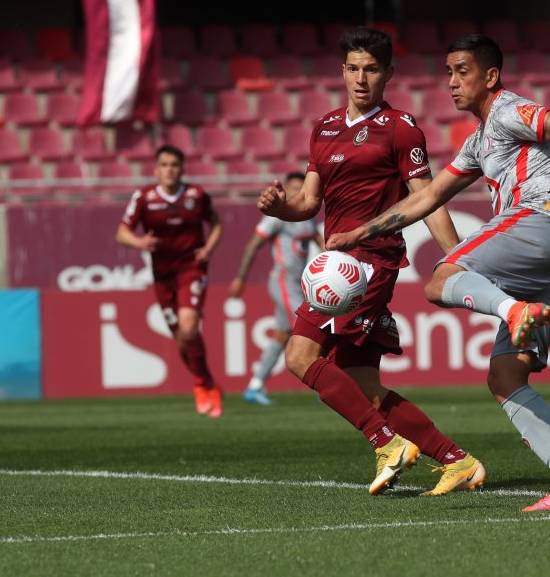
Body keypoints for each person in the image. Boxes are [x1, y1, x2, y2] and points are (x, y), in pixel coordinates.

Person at [324, 34, 550, 511]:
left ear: (490, 76)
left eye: (461, 71)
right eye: (448, 72)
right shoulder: (479, 139)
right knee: (504, 375)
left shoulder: (508, 111)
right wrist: (360, 233)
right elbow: (429, 197)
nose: (451, 82)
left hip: (542, 219)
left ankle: (515, 310)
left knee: (439, 279)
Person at [256, 26, 485, 497]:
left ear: (388, 74)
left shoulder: (401, 128)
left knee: (299, 357)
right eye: (354, 68)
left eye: (372, 69)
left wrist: (456, 255)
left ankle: (386, 444)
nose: (362, 78)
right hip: (337, 262)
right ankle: (457, 461)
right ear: (342, 72)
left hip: (369, 264)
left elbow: (429, 199)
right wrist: (283, 208)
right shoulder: (322, 128)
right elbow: (308, 202)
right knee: (365, 387)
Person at [116, 145, 224, 417]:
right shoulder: (144, 197)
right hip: (162, 275)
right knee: (180, 338)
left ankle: (201, 384)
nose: (169, 170)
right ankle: (208, 381)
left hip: (191, 269)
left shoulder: (196, 195)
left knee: (189, 328)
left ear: (182, 168)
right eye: (164, 165)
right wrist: (140, 242)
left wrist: (209, 248)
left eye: (174, 165)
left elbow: (217, 223)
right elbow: (121, 232)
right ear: (156, 169)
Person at [228, 172, 322, 405]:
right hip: (282, 282)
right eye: (293, 188)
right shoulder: (277, 217)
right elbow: (253, 244)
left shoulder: (307, 216)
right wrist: (241, 277)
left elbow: (321, 242)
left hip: (298, 284)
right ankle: (327, 386)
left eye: (302, 188)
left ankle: (255, 386)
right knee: (310, 327)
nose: (298, 193)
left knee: (281, 336)